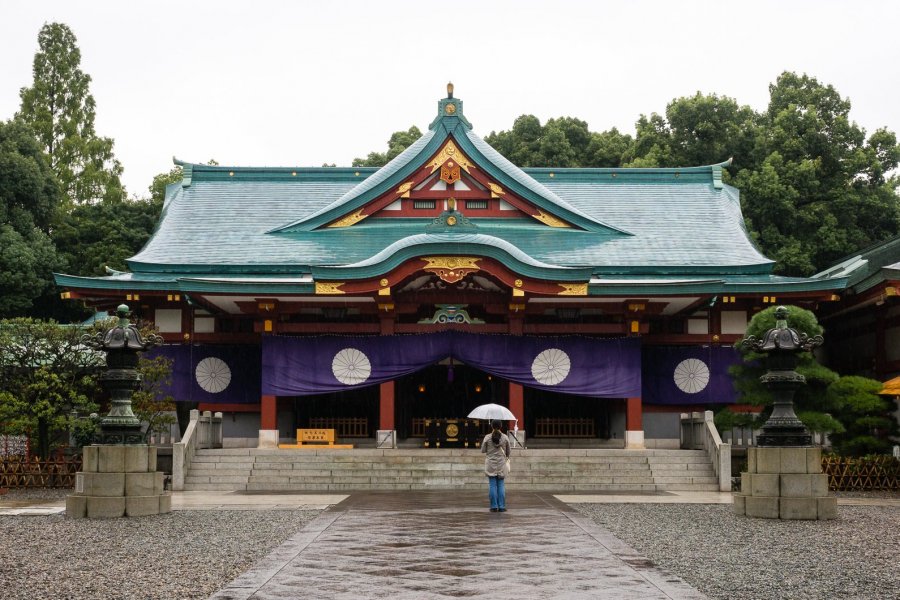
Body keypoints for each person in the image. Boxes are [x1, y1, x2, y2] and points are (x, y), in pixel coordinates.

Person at [481, 419, 510, 512]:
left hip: (490, 464)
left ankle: (494, 506)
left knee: (492, 485)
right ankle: (501, 506)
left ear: (492, 426)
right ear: (501, 426)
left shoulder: (487, 437)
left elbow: (483, 450)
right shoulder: (505, 438)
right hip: (501, 464)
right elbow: (508, 452)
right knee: (501, 485)